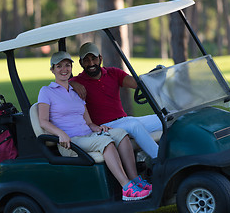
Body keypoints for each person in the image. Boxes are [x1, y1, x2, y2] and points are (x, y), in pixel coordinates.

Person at [37, 51, 152, 201]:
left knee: (121, 134)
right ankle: (127, 188)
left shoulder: (76, 91)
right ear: (52, 69)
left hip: (88, 135)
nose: (64, 69)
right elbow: (43, 121)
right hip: (71, 142)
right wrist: (60, 134)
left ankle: (135, 179)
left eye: (67, 65)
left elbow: (89, 122)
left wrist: (98, 128)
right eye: (59, 66)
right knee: (106, 142)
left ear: (71, 67)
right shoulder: (46, 91)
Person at [69, 42, 162, 159]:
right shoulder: (77, 82)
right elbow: (62, 88)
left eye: (94, 58)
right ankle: (160, 159)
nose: (91, 63)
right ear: (81, 63)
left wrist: (157, 75)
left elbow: (136, 83)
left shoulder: (113, 73)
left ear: (100, 58)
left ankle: (179, 152)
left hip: (124, 120)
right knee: (134, 125)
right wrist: (71, 82)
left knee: (164, 118)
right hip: (104, 127)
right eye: (86, 60)